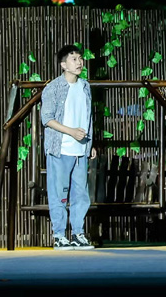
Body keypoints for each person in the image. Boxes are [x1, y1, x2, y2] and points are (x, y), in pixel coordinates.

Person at [40, 45, 97, 250]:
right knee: (59, 193)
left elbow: (88, 117)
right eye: (74, 59)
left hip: (80, 150)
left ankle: (78, 234)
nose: (79, 62)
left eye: (80, 58)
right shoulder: (53, 87)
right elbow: (47, 119)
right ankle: (59, 235)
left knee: (81, 194)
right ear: (63, 65)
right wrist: (71, 132)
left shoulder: (85, 86)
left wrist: (89, 143)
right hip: (60, 148)